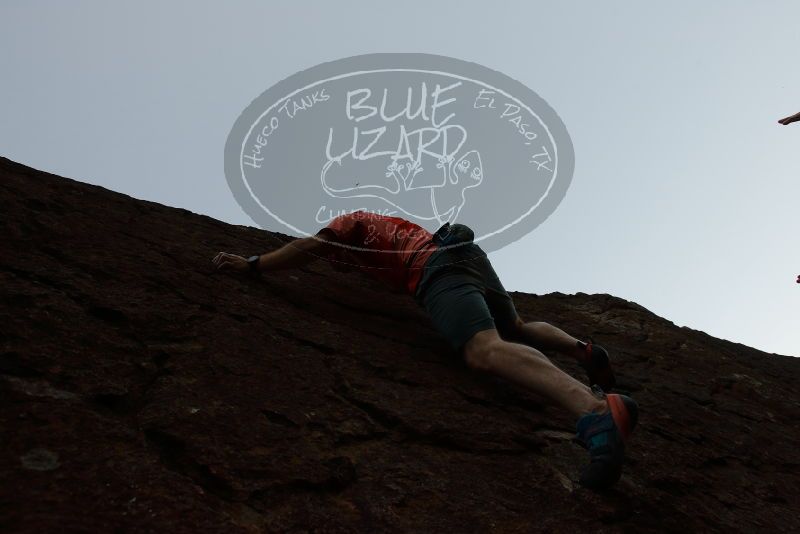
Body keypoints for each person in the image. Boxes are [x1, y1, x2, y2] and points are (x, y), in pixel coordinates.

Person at [212, 210, 638, 490]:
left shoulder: (351, 222)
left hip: (434, 268)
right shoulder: (394, 225)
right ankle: (584, 350)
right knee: (515, 326)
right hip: (465, 256)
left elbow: (311, 248)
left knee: (482, 348)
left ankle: (596, 413)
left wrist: (255, 264)